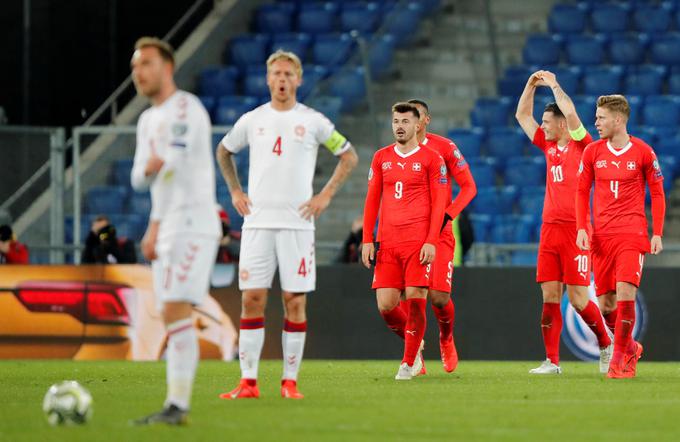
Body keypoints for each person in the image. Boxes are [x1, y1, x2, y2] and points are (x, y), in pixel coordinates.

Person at [216, 50, 358, 399]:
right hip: (258, 224)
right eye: (276, 74)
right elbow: (223, 150)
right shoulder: (253, 120)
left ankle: (289, 382)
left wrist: (324, 196)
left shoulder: (313, 121)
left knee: (294, 302)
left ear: (299, 79)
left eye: (288, 74)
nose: (282, 80)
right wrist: (235, 190)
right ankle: (248, 382)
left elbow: (349, 156)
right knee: (252, 299)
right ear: (268, 79)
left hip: (297, 226)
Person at [129, 37, 221, 425]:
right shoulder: (147, 120)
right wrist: (153, 225)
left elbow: (175, 162)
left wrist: (156, 167)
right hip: (168, 226)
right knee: (171, 314)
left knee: (173, 309)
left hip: (194, 223)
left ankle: (177, 406)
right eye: (135, 67)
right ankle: (175, 406)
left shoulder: (186, 107)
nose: (139, 73)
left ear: (167, 67)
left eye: (146, 64)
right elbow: (139, 177)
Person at [516, 71, 613, 375]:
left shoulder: (582, 145)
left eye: (546, 122)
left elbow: (570, 111)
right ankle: (552, 361)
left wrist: (554, 85)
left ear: (560, 125)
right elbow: (522, 115)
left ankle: (605, 343)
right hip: (550, 230)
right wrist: (530, 85)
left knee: (579, 298)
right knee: (549, 296)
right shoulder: (547, 146)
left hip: (577, 230)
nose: (541, 126)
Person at [576, 94, 665, 379]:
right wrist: (581, 228)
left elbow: (659, 193)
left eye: (601, 118)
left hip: (632, 232)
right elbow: (581, 192)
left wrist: (658, 233)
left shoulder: (643, 151)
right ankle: (630, 347)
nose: (596, 122)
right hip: (601, 236)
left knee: (626, 294)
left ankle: (619, 360)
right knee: (606, 305)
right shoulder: (592, 152)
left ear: (618, 120)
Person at [362, 102, 449, 380]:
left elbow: (439, 205)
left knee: (416, 299)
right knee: (386, 305)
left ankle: (408, 361)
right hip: (388, 243)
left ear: (417, 125)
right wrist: (367, 239)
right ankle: (417, 342)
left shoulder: (432, 159)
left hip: (417, 243)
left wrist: (431, 241)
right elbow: (372, 200)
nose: (399, 126)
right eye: (395, 121)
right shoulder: (381, 158)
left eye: (405, 122)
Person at [406, 99, 477, 373]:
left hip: (439, 232)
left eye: (417, 116)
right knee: (410, 297)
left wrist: (449, 214)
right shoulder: (394, 152)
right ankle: (414, 354)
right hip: (407, 232)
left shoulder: (445, 147)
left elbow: (469, 187)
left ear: (425, 120)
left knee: (438, 297)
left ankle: (446, 338)